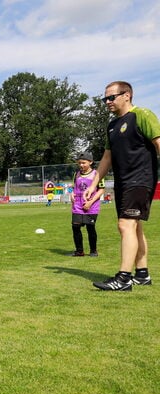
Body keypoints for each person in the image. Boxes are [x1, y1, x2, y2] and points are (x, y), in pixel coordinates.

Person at [85, 81, 160, 291]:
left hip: (141, 179)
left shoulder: (142, 115)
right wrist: (94, 183)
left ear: (127, 95)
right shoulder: (112, 125)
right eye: (105, 99)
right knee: (135, 227)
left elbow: (158, 143)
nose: (107, 102)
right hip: (122, 182)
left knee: (125, 225)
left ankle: (123, 278)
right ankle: (142, 274)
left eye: (111, 97)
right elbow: (107, 157)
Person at [69, 152, 104, 257]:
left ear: (91, 162)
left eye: (83, 163)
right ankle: (79, 251)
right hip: (77, 205)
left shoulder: (97, 174)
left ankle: (93, 251)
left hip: (91, 205)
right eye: (79, 163)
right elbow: (74, 187)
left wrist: (90, 202)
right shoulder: (76, 174)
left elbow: (101, 190)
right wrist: (71, 193)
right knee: (75, 227)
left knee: (90, 227)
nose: (81, 165)